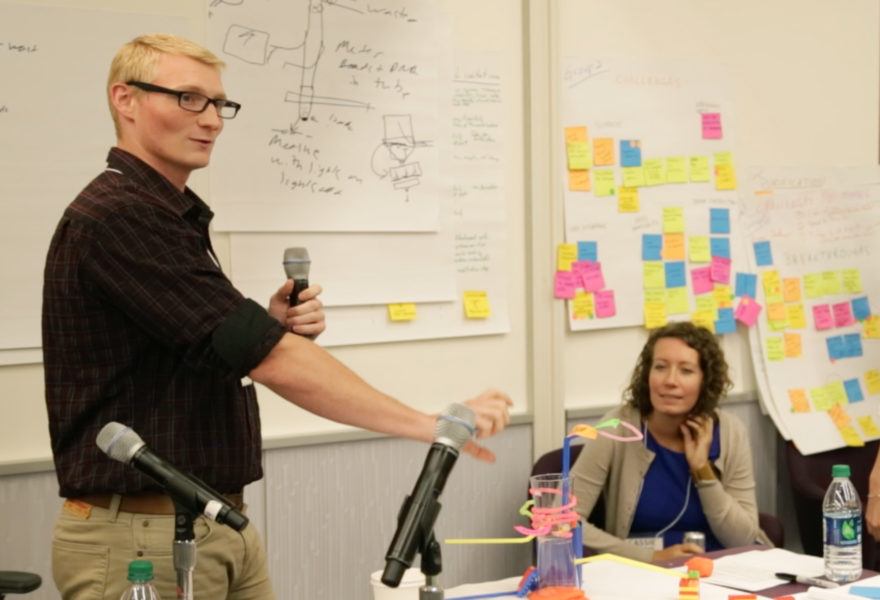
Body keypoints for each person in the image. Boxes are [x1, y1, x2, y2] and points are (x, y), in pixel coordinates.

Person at [41, 33, 512, 600]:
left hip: (213, 520)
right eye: (189, 98)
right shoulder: (121, 216)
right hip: (145, 540)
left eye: (219, 104)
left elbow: (209, 347)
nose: (211, 119)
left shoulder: (167, 213)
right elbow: (268, 359)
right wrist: (426, 423)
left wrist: (266, 327)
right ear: (126, 99)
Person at [570, 321, 771, 563]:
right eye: (660, 367)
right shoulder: (618, 428)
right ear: (647, 375)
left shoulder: (730, 431)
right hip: (644, 572)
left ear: (705, 382)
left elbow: (743, 540)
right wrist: (651, 557)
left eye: (686, 370)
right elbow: (564, 522)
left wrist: (702, 471)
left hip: (721, 569)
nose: (670, 381)